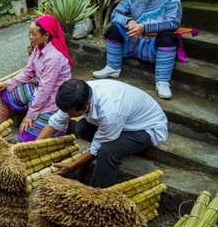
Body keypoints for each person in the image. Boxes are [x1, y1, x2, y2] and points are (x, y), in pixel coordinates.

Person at [36, 79, 168, 188]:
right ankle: (121, 143)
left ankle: (96, 194)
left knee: (107, 151)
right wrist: (32, 148)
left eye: (71, 114)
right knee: (82, 127)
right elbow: (55, 123)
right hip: (123, 123)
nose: (67, 115)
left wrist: (71, 166)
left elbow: (97, 148)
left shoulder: (111, 111)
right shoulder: (79, 93)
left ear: (86, 105)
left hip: (146, 128)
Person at [93, 0, 182, 99]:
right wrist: (129, 20)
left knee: (169, 37)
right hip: (132, 42)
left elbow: (173, 21)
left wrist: (144, 27)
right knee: (114, 29)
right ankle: (113, 67)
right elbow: (116, 14)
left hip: (153, 44)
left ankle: (162, 81)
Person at [0, 14, 73, 142]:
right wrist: (6, 83)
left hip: (54, 101)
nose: (31, 38)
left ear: (46, 36)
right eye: (30, 33)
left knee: (26, 137)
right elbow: (28, 72)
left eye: (34, 34)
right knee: (5, 90)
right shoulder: (38, 48)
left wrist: (30, 115)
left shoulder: (54, 57)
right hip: (40, 92)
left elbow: (45, 89)